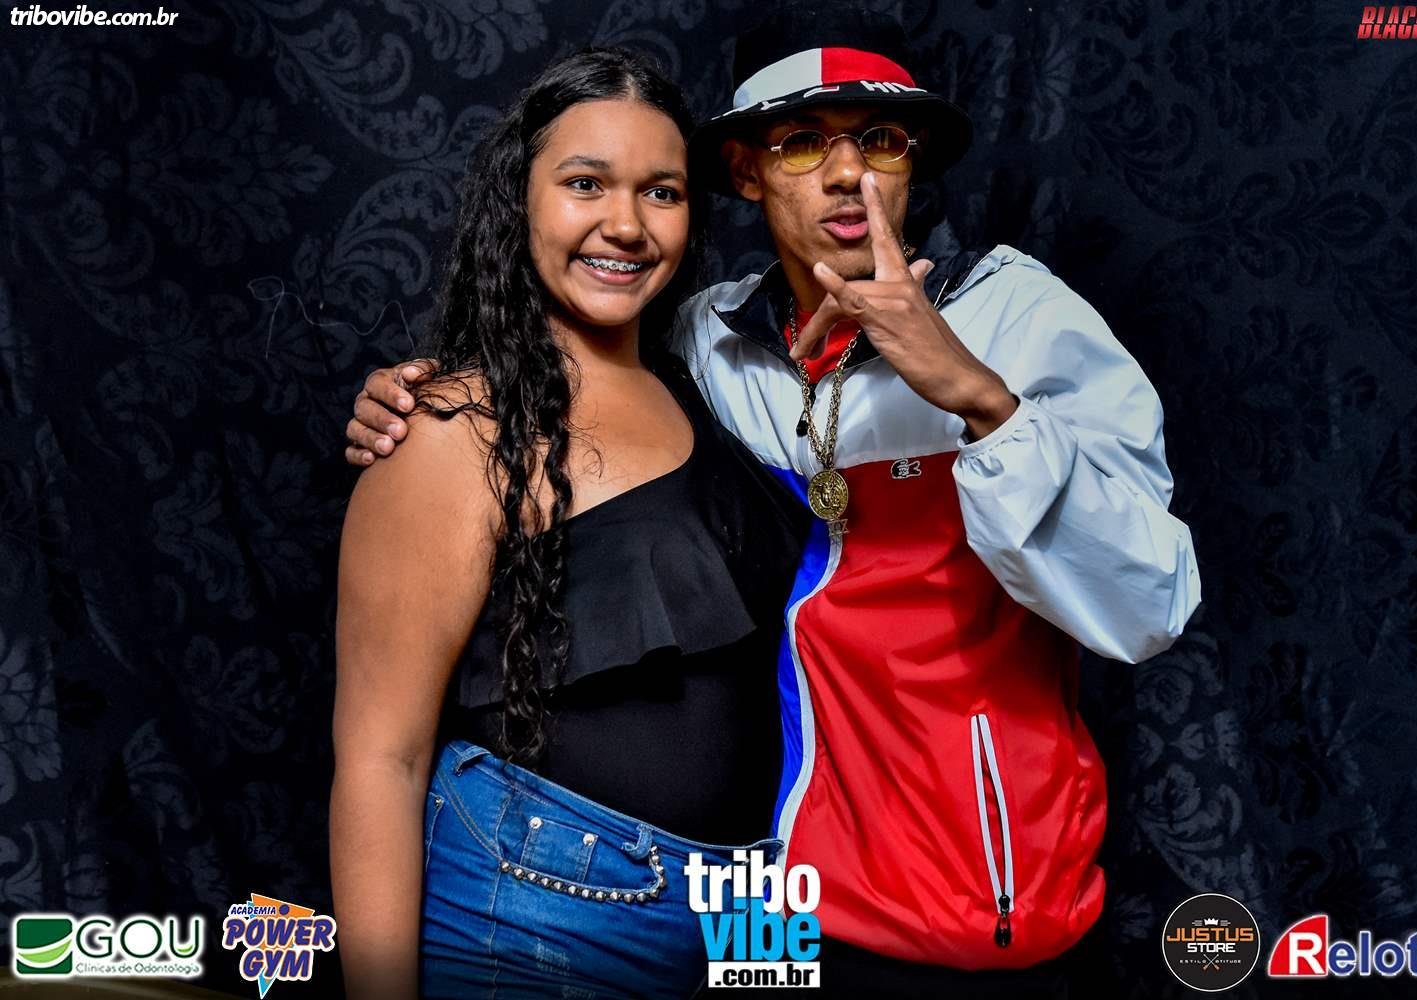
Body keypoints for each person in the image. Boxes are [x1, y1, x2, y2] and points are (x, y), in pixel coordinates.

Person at [346, 4, 1203, 995]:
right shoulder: (708, 344)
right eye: (802, 144)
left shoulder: (1020, 320)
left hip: (965, 901)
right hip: (760, 901)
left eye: (880, 141)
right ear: (747, 173)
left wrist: (978, 397)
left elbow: (1149, 606)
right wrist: (413, 404)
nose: (847, 173)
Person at [330, 47, 808, 1000]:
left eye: (661, 192)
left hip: (760, 902)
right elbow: (383, 758)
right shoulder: (452, 429)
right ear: (521, 201)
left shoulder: (712, 384)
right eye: (585, 183)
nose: (625, 225)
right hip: (547, 904)